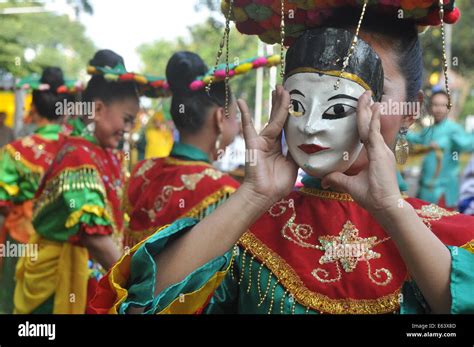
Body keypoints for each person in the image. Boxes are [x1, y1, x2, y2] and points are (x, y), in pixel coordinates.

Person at [91, 2, 473, 315]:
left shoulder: (452, 238)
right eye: (308, 96)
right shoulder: (250, 228)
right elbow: (138, 305)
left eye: (373, 90)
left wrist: (392, 209)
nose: (324, 121)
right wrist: (253, 196)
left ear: (411, 109)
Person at [13, 50, 140, 314]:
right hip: (61, 284)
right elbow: (95, 237)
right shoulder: (79, 155)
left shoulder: (104, 152)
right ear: (98, 109)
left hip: (91, 278)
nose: (128, 129)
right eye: (126, 119)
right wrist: (139, 283)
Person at [122, 52, 240, 249]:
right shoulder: (223, 191)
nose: (237, 127)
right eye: (235, 117)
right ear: (220, 118)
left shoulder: (142, 172)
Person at [0, 67, 70, 313]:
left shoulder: (17, 150)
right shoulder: (76, 150)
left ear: (35, 109)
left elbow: (2, 197)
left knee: (14, 297)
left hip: (22, 238)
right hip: (65, 243)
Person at [407, 91, 474, 208]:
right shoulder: (429, 130)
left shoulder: (454, 129)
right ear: (430, 107)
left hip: (444, 192)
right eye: (435, 104)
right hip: (425, 189)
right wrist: (399, 127)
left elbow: (468, 144)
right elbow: (415, 138)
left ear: (448, 108)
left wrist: (453, 143)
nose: (439, 109)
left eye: (443, 105)